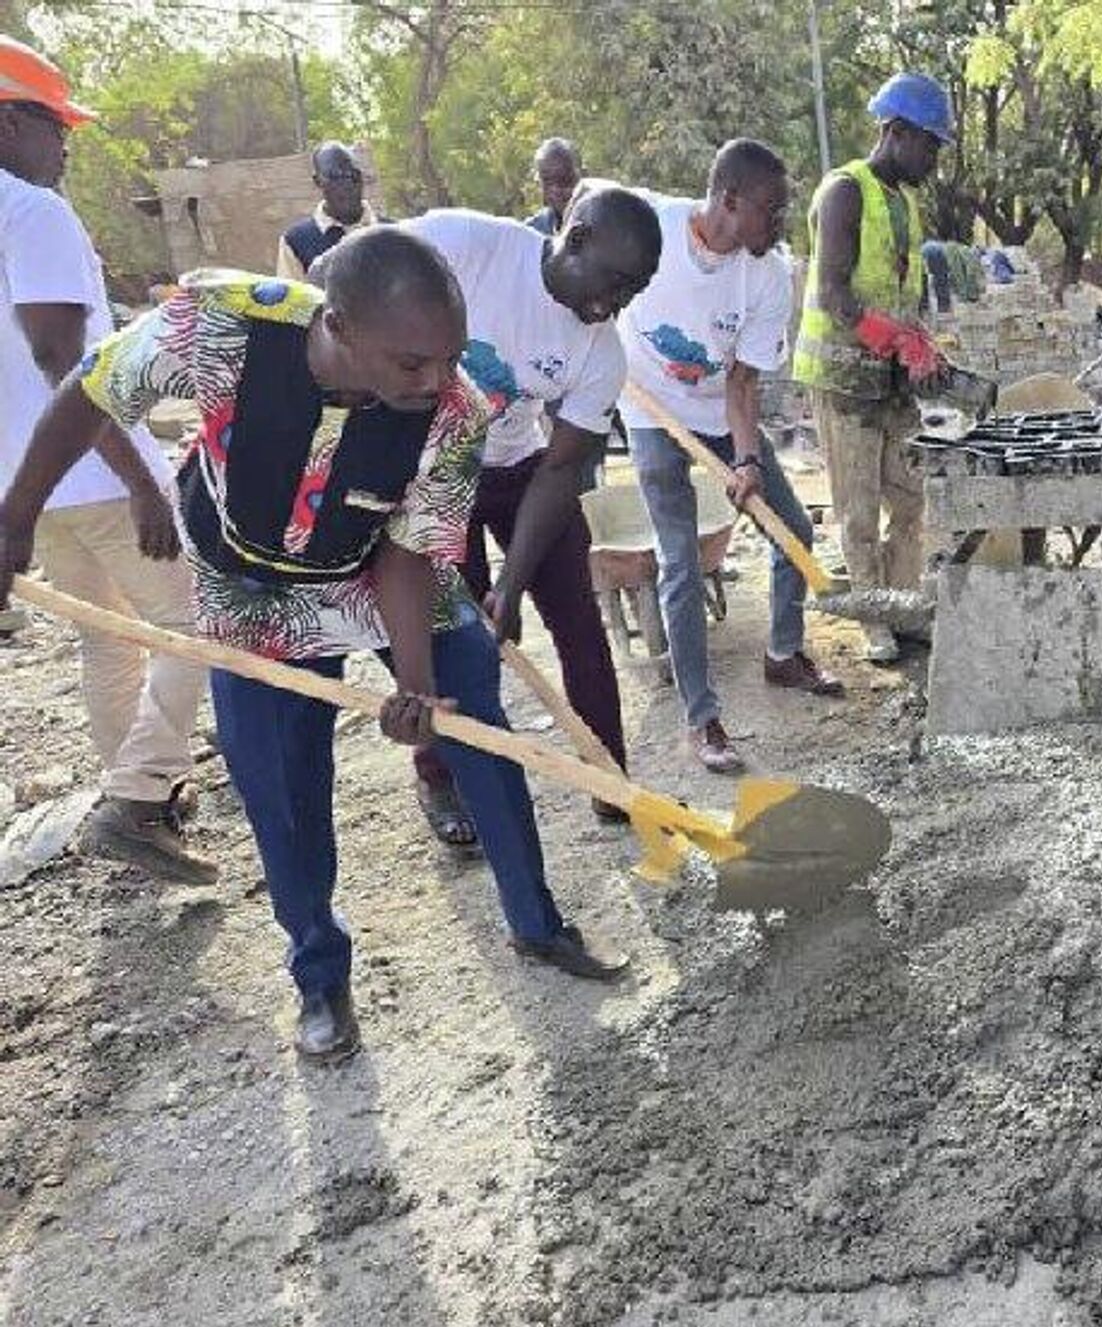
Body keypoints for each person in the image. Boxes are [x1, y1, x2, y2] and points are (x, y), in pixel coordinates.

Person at [0, 230, 628, 1064]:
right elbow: (91, 391)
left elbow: (409, 554)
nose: (437, 379)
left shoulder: (456, 409)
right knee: (283, 790)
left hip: (379, 569)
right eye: (412, 363)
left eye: (448, 357)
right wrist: (15, 516)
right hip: (253, 587)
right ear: (338, 326)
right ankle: (320, 977)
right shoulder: (220, 325)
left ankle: (537, 922)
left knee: (479, 727)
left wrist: (416, 686)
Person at [368, 188, 659, 843]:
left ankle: (607, 772)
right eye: (614, 281)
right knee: (449, 641)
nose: (616, 303)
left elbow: (560, 470)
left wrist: (513, 582)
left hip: (524, 469)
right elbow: (358, 267)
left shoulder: (602, 351)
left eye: (634, 291)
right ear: (574, 238)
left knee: (581, 626)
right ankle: (440, 775)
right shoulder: (468, 245)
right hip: (434, 477)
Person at [0, 36, 213, 883]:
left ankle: (142, 795)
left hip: (26, 488)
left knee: (110, 643)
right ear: (12, 122)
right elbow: (64, 360)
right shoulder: (31, 212)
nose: (67, 144)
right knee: (196, 627)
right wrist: (142, 483)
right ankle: (134, 798)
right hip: (90, 472)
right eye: (56, 125)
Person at [618, 139, 843, 774]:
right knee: (681, 563)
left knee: (792, 529)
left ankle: (782, 653)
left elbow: (743, 382)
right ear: (729, 200)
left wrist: (746, 460)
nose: (778, 225)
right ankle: (701, 716)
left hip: (720, 411)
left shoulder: (769, 272)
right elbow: (580, 209)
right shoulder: (652, 228)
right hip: (649, 411)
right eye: (770, 211)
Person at [793, 73, 952, 664]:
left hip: (888, 378)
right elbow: (834, 293)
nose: (934, 158)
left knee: (912, 500)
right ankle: (874, 617)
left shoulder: (905, 202)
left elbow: (902, 291)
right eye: (930, 144)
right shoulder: (844, 192)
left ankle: (904, 607)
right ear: (897, 132)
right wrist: (895, 340)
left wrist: (923, 346)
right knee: (857, 510)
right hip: (843, 378)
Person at [276, 141, 379, 280]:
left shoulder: (393, 233)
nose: (346, 184)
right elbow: (293, 299)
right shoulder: (296, 242)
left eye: (353, 175)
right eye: (335, 176)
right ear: (317, 181)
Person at [526, 138, 582, 236]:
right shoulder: (532, 231)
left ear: (582, 176)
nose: (555, 190)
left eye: (564, 179)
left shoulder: (603, 222)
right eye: (547, 181)